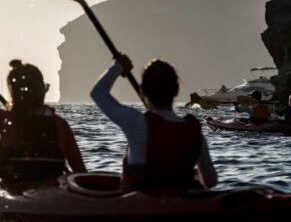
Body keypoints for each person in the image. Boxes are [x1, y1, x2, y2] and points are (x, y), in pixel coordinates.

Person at [91, 55, 217, 190]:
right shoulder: (194, 130)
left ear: (142, 91)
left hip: (143, 204)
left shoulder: (136, 123)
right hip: (184, 204)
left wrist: (119, 66)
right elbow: (210, 181)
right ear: (176, 89)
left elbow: (98, 93)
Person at [0, 60, 86, 183]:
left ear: (13, 92)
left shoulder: (4, 120)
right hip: (53, 193)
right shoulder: (60, 124)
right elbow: (80, 171)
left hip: (14, 191)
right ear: (41, 90)